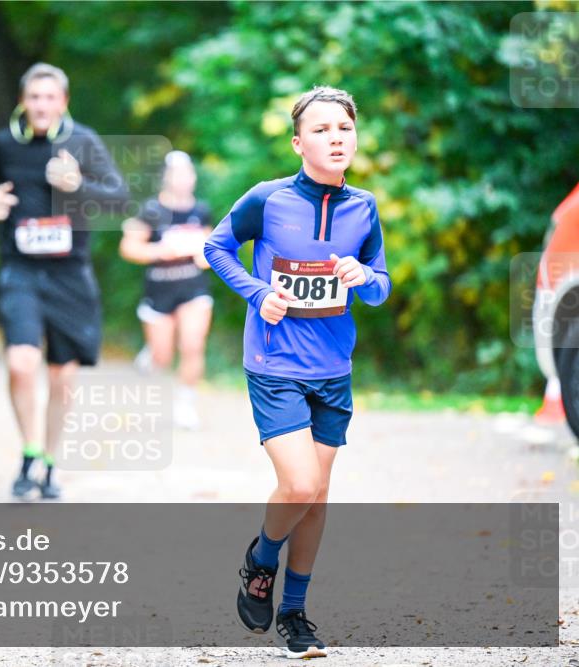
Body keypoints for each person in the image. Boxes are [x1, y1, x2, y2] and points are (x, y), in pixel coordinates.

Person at [203, 86, 391, 659]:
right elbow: (217, 249)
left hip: (333, 368)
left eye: (345, 129)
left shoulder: (364, 207)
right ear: (297, 142)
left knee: (318, 496)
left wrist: (364, 275)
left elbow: (381, 287)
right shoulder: (267, 199)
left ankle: (295, 613)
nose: (336, 138)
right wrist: (259, 292)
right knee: (302, 484)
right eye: (322, 129)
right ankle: (261, 560)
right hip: (275, 363)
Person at [0, 63, 128, 500]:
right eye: (34, 97)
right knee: (21, 362)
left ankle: (50, 464)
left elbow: (118, 199)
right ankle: (29, 451)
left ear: (63, 102)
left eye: (49, 97)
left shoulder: (83, 142)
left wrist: (78, 185)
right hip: (19, 268)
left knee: (63, 378)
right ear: (24, 102)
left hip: (69, 272)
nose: (41, 105)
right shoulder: (3, 145)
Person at [119, 150, 213, 429]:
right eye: (177, 174)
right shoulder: (151, 210)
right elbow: (129, 248)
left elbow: (209, 248)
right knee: (163, 355)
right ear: (166, 178)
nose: (183, 180)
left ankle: (185, 404)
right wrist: (161, 250)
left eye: (188, 173)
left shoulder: (200, 210)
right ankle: (152, 354)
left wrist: (205, 255)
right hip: (159, 291)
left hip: (193, 289)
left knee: (192, 344)